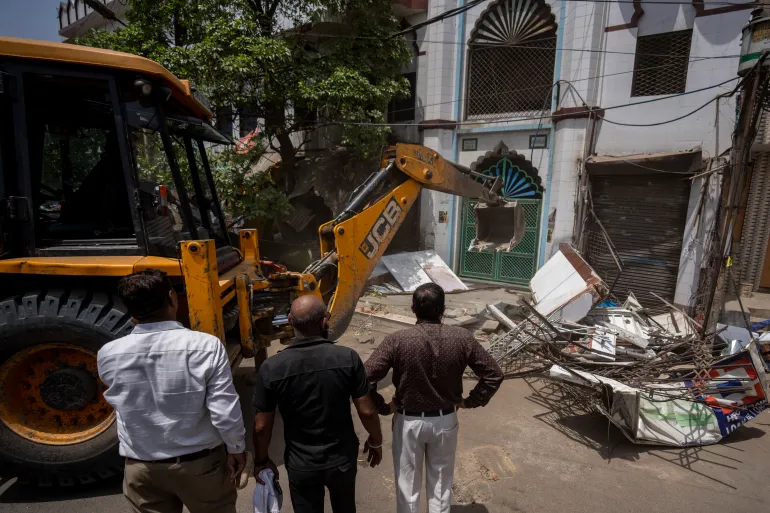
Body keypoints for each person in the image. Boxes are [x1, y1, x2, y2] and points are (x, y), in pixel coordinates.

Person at [98, 270, 247, 513]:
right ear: (172, 297)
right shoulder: (205, 346)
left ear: (130, 309)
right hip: (200, 466)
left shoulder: (108, 353)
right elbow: (224, 409)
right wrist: (237, 448)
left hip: (141, 468)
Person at [365, 283, 504, 513]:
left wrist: (383, 407)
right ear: (443, 309)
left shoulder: (397, 340)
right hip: (445, 421)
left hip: (407, 422)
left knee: (407, 487)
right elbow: (494, 374)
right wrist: (469, 401)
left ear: (412, 309)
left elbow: (364, 378)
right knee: (440, 486)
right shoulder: (462, 338)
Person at [252, 295, 383, 513]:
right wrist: (376, 440)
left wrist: (261, 460)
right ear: (324, 322)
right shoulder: (347, 358)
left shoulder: (272, 367)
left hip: (301, 464)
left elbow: (261, 426)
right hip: (341, 460)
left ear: (290, 323)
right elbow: (367, 411)